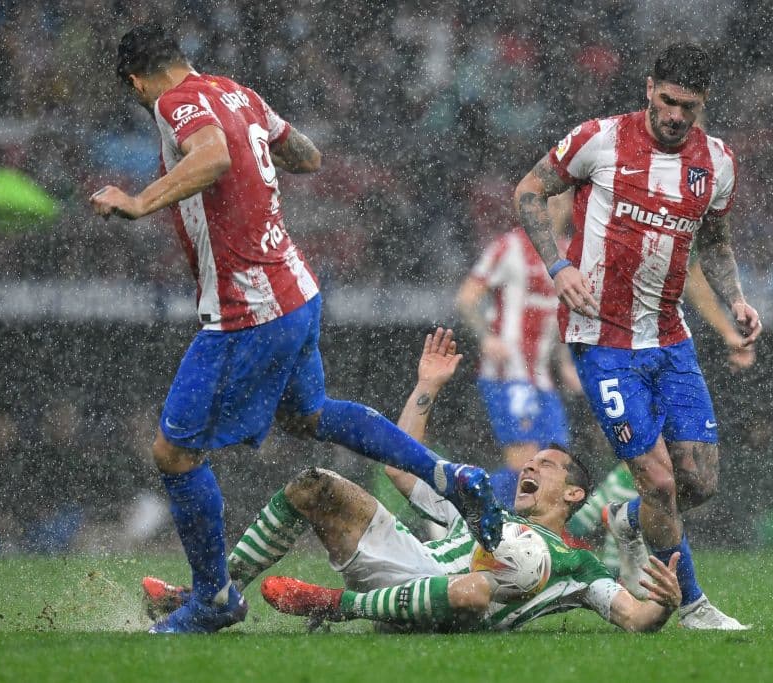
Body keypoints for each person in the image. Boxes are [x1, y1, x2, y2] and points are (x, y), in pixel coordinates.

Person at [88, 24, 503, 634]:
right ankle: (450, 476)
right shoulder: (237, 93)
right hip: (296, 289)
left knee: (174, 454)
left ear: (135, 80)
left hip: (247, 308)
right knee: (309, 415)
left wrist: (140, 201)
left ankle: (212, 599)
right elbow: (306, 156)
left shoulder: (174, 102)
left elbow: (212, 155)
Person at [144, 329, 681, 633]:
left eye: (548, 464)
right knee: (313, 485)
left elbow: (635, 617)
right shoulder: (483, 508)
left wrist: (666, 603)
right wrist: (426, 387)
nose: (532, 466)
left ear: (573, 493)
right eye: (532, 460)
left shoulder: (577, 567)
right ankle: (213, 590)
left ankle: (331, 604)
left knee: (475, 589)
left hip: (453, 607)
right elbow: (402, 466)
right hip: (408, 568)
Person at [512, 42, 761, 629]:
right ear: (650, 88)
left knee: (696, 482)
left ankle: (626, 520)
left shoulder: (717, 163)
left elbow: (716, 242)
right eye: (668, 101)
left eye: (689, 107)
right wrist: (558, 266)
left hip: (670, 339)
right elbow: (528, 191)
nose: (676, 116)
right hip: (601, 339)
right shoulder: (600, 139)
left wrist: (737, 301)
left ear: (704, 104)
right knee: (658, 477)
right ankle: (693, 605)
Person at [455, 191, 578, 508]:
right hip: (507, 373)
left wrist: (565, 362)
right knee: (524, 461)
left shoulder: (567, 255)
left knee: (556, 456)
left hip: (540, 377)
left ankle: (484, 517)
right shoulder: (509, 246)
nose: (556, 209)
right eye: (550, 202)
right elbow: (467, 298)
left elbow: (560, 316)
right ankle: (461, 510)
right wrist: (485, 337)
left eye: (563, 203)